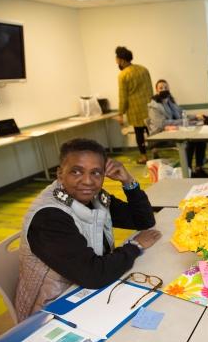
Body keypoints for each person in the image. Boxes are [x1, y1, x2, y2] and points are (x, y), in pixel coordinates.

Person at [15, 138, 162, 322]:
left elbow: (143, 220)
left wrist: (128, 181)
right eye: (76, 171)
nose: (87, 181)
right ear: (60, 174)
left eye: (96, 173)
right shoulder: (49, 218)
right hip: (50, 310)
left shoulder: (96, 198)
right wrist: (135, 246)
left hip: (86, 291)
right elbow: (93, 275)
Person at [147, 79, 208, 178]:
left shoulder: (171, 102)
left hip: (175, 132)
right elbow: (162, 124)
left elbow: (182, 115)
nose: (164, 89)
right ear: (156, 90)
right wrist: (183, 122)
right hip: (160, 136)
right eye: (161, 88)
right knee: (188, 142)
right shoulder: (153, 107)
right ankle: (187, 171)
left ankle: (199, 168)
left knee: (200, 139)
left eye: (166, 87)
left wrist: (196, 116)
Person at [115, 46, 153, 164]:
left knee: (139, 133)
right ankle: (155, 151)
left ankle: (143, 156)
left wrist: (120, 113)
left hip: (135, 109)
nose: (116, 60)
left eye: (116, 58)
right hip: (149, 107)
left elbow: (123, 96)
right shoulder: (143, 69)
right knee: (151, 131)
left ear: (121, 59)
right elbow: (150, 88)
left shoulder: (123, 75)